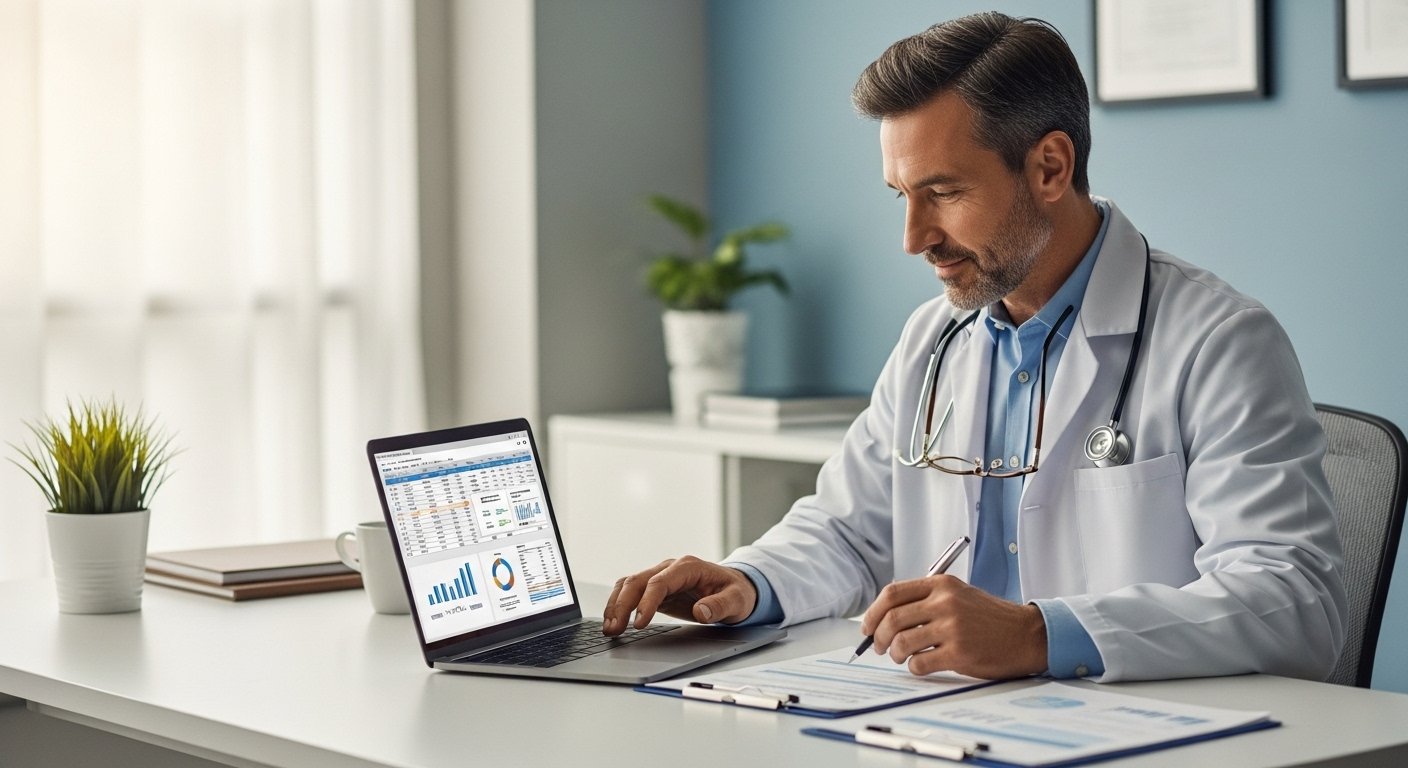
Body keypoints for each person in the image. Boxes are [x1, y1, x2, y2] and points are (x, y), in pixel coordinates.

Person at [602, 12, 1347, 682]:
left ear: (1050, 167)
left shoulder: (1218, 342)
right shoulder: (936, 338)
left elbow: (1294, 601)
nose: (913, 238)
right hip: (948, 726)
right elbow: (850, 532)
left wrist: (1037, 635)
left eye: (945, 193)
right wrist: (750, 583)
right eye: (902, 196)